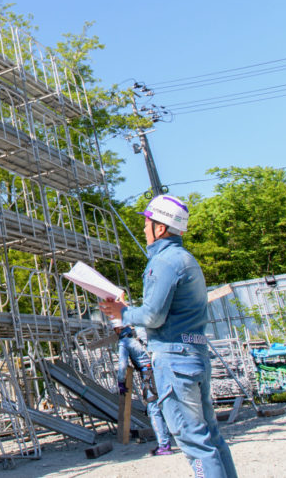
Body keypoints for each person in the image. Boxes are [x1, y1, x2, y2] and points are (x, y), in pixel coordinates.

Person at [99, 195, 237, 478]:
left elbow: (152, 317)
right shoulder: (186, 260)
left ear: (160, 228)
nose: (144, 228)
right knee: (210, 437)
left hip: (175, 361)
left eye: (147, 222)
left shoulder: (163, 262)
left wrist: (122, 312)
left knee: (193, 442)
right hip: (194, 356)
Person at [114, 322, 174, 456]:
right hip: (164, 368)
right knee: (169, 403)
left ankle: (164, 445)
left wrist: (121, 383)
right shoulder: (143, 330)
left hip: (148, 374)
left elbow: (122, 366)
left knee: (154, 408)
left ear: (118, 329)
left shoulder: (125, 342)